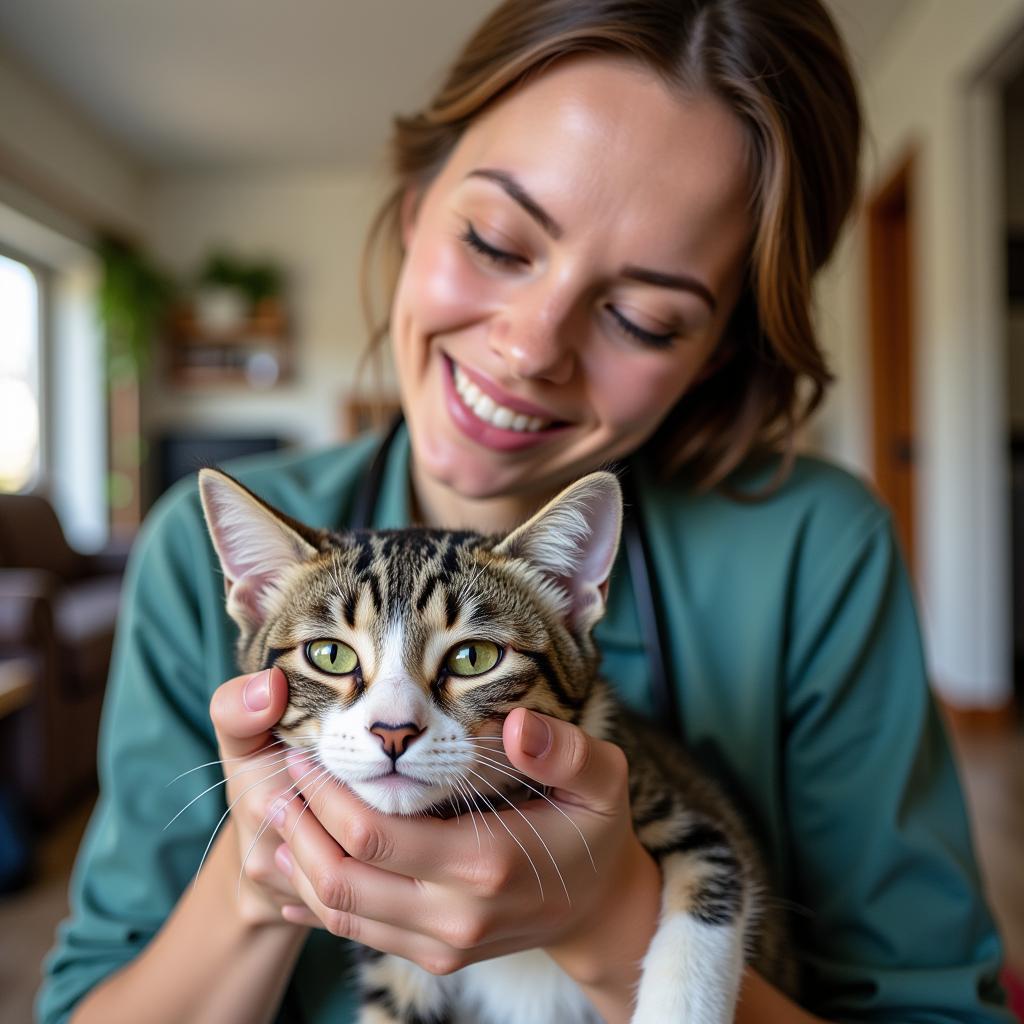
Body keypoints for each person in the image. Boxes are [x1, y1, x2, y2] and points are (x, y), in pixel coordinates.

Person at [39, 1, 1013, 1022]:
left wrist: (608, 922)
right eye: (499, 241)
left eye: (642, 316)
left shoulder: (815, 548)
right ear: (416, 204)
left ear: (717, 346)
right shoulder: (217, 551)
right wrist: (258, 877)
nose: (529, 347)